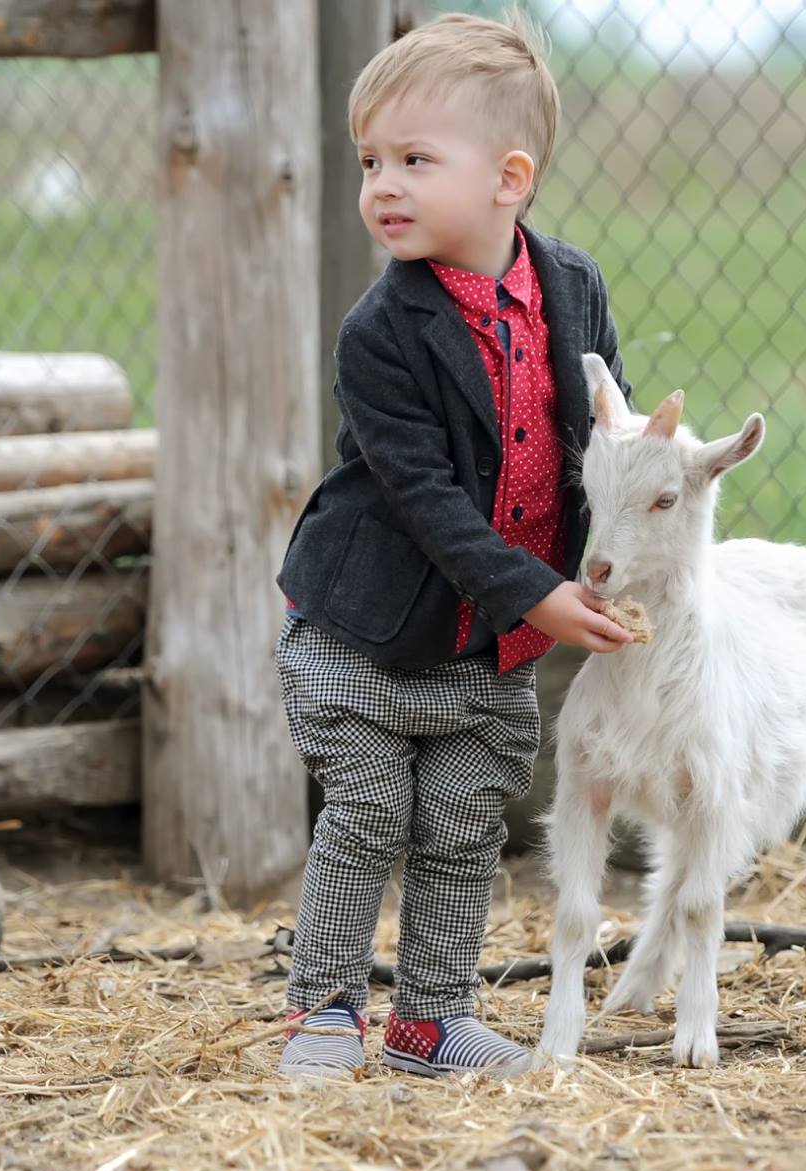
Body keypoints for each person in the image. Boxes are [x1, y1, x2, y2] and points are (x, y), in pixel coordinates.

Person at [273, 10, 635, 1079]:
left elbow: (601, 425)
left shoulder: (572, 289)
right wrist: (538, 593)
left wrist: (640, 481)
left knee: (464, 820)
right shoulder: (380, 333)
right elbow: (426, 500)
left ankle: (430, 1019)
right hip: (365, 632)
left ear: (506, 178)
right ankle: (324, 1011)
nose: (382, 184)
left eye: (413, 160)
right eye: (369, 161)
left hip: (483, 651)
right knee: (371, 807)